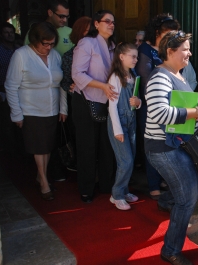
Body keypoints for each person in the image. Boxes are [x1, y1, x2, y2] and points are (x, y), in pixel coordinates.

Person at [145, 30, 198, 265]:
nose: (189, 53)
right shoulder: (160, 77)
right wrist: (194, 113)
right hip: (163, 148)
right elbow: (159, 113)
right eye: (185, 49)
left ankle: (167, 201)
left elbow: (193, 107)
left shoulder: (180, 74)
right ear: (170, 52)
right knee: (187, 198)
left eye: (188, 48)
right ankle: (171, 250)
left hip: (180, 144)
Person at [5, 21, 67, 201]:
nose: (48, 47)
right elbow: (11, 86)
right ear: (34, 40)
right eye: (44, 44)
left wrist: (63, 108)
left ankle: (41, 176)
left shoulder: (55, 56)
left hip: (52, 109)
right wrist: (16, 113)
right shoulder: (21, 55)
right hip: (31, 109)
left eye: (51, 44)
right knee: (38, 147)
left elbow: (61, 84)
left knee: (47, 146)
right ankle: (44, 182)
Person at [72, 10, 117, 203]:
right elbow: (77, 74)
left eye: (113, 22)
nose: (111, 24)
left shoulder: (113, 46)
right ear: (96, 24)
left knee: (106, 147)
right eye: (107, 21)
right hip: (86, 101)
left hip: (108, 102)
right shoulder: (86, 43)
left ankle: (107, 185)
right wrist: (102, 86)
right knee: (87, 147)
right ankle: (86, 190)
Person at [135, 13, 180, 200]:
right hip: (151, 105)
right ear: (157, 33)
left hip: (171, 104)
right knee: (154, 144)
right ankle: (153, 184)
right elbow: (145, 78)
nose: (172, 38)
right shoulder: (145, 49)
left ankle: (163, 179)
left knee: (168, 142)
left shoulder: (169, 49)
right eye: (168, 34)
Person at [107, 42, 142, 210]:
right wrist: (117, 130)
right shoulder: (115, 76)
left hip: (131, 121)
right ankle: (117, 195)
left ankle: (124, 189)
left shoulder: (133, 75)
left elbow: (136, 101)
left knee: (131, 157)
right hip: (120, 123)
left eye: (136, 56)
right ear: (121, 57)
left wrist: (139, 102)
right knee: (125, 160)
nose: (136, 59)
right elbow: (112, 106)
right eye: (133, 56)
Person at [60, 16, 91, 171]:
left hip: (100, 103)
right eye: (86, 32)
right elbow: (64, 81)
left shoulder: (103, 52)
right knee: (82, 140)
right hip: (79, 104)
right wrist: (71, 87)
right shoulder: (68, 56)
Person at [0, 22, 19, 153]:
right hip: (3, 90)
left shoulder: (19, 50)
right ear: (0, 35)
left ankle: (21, 148)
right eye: (6, 32)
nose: (9, 35)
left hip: (20, 90)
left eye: (11, 32)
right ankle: (9, 150)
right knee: (6, 121)